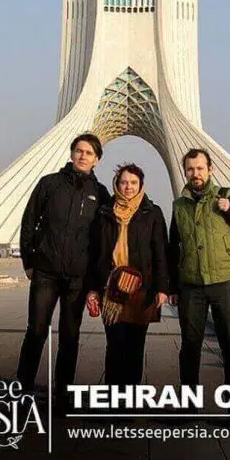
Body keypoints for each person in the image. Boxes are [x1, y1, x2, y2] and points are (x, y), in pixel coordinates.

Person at [16, 133, 110, 415]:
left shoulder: (100, 193)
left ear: (97, 160)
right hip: (46, 271)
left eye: (89, 153)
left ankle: (63, 394)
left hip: (77, 278)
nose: (83, 156)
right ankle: (22, 391)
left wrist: (96, 280)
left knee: (70, 335)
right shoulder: (50, 184)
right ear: (71, 154)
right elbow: (29, 220)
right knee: (36, 331)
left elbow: (104, 239)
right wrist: (29, 260)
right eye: (79, 151)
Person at [169, 148, 230, 429]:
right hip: (191, 285)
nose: (195, 174)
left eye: (200, 168)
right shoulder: (179, 205)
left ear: (211, 169)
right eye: (190, 169)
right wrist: (172, 285)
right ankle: (189, 406)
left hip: (225, 282)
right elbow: (174, 247)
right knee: (189, 346)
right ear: (185, 171)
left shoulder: (228, 197)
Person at [86, 163, 169, 396]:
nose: (128, 187)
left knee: (135, 346)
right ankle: (113, 397)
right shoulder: (105, 212)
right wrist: (92, 289)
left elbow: (161, 251)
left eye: (133, 182)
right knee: (114, 345)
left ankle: (130, 397)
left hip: (141, 290)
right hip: (112, 288)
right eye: (124, 182)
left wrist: (162, 288)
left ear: (141, 185)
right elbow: (95, 253)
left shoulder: (152, 213)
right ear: (117, 184)